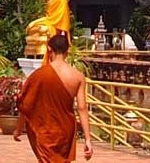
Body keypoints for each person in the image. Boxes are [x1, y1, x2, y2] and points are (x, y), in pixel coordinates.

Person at [14, 34, 93, 162]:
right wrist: (88, 139)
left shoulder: (39, 75)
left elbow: (26, 105)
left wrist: (18, 129)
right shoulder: (78, 76)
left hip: (45, 130)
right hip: (66, 130)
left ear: (49, 49)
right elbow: (82, 108)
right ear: (68, 51)